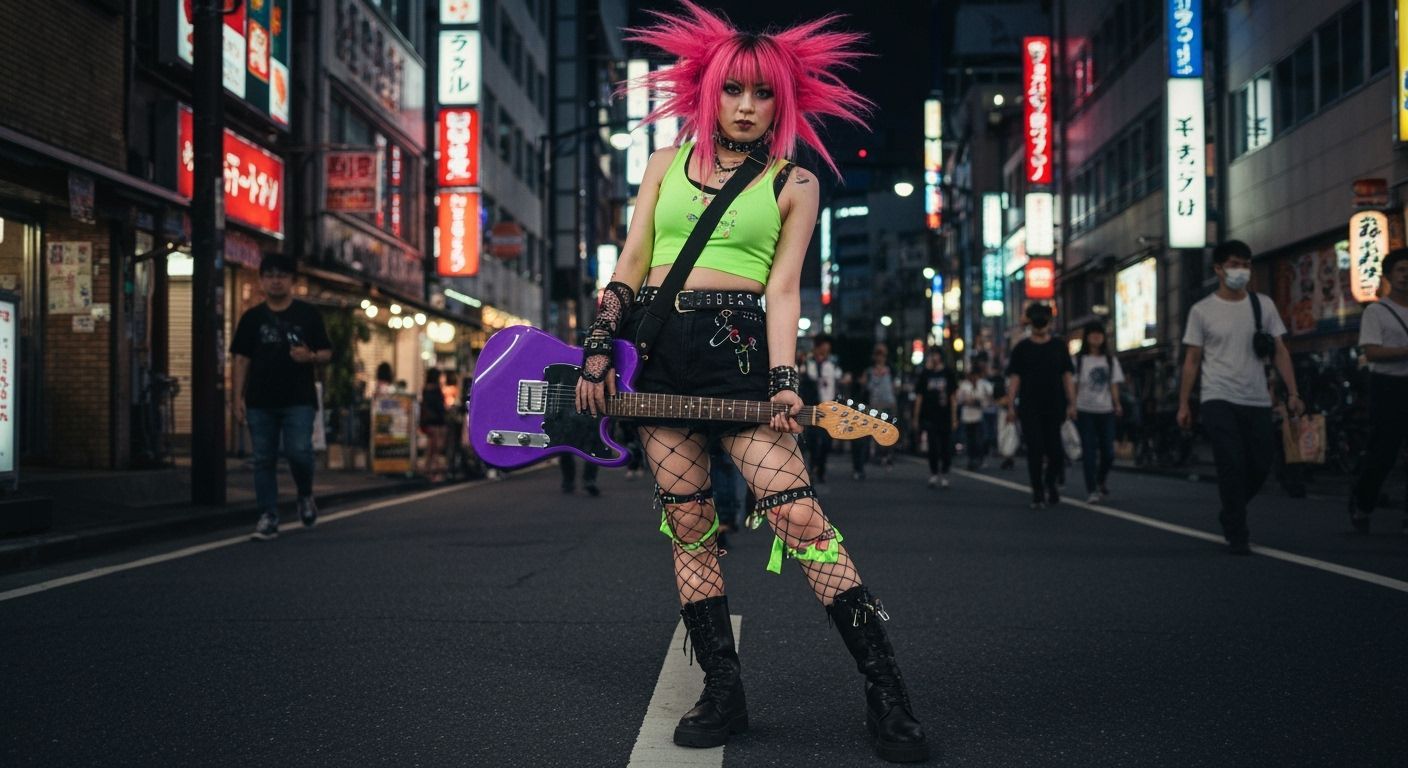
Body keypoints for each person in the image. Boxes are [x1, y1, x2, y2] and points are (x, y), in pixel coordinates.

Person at [573, 5, 928, 761]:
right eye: (732, 89)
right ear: (707, 91)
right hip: (660, 352)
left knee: (801, 523)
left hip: (738, 357)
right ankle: (724, 695)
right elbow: (634, 258)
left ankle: (888, 695)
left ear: (782, 100)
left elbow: (787, 290)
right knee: (690, 527)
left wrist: (784, 379)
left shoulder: (793, 181)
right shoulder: (665, 163)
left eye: (762, 93)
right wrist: (599, 349)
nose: (745, 106)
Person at [1177, 240, 1303, 555]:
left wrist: (1294, 393)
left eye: (1246, 264)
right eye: (1234, 264)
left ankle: (1230, 509)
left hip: (1257, 397)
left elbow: (1280, 352)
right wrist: (1183, 403)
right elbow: (1192, 359)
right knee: (1231, 462)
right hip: (1217, 396)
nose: (1241, 270)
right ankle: (1237, 531)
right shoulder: (1202, 310)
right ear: (1218, 268)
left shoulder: (1263, 305)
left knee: (1262, 463)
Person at [231, 254, 332, 541]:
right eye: (270, 275)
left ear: (292, 281)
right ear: (262, 280)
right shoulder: (251, 318)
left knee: (299, 452)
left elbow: (326, 352)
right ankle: (268, 515)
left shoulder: (307, 315)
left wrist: (310, 356)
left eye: (282, 275)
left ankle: (304, 495)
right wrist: (236, 397)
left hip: (299, 399)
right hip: (259, 400)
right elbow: (241, 360)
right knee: (263, 458)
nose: (276, 280)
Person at [1349, 247, 1408, 535]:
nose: (1406, 276)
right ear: (1388, 276)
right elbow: (1370, 352)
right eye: (1400, 270)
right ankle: (1362, 503)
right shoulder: (1377, 311)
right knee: (1383, 453)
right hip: (1388, 387)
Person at [1005, 303, 1076, 509]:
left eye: (1043, 319)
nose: (1040, 324)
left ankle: (1050, 483)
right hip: (1029, 406)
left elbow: (1067, 377)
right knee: (1035, 449)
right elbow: (1014, 378)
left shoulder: (1058, 347)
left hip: (1055, 405)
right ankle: (1038, 492)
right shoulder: (1022, 348)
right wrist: (1011, 406)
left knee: (1055, 451)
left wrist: (1072, 403)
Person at [1072, 321, 1125, 503]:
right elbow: (1074, 385)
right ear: (1086, 337)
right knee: (1089, 451)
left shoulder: (1110, 360)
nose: (1096, 338)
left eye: (1099, 334)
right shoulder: (1079, 361)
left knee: (1108, 452)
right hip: (1085, 409)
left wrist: (1117, 403)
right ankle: (1091, 489)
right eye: (1093, 334)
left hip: (1106, 410)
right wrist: (1071, 405)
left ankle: (1101, 480)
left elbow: (1113, 384)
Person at [800, 333, 843, 486]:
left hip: (828, 407)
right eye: (823, 347)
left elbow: (839, 380)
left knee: (826, 441)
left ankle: (821, 468)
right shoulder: (808, 363)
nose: (825, 350)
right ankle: (812, 466)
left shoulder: (832, 364)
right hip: (811, 407)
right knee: (811, 439)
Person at [911, 346, 955, 487]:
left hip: (945, 414)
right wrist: (916, 417)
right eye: (932, 355)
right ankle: (934, 473)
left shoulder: (948, 373)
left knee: (946, 446)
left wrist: (954, 417)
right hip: (929, 415)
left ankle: (945, 472)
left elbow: (953, 396)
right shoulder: (926, 374)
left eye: (936, 355)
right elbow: (919, 396)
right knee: (933, 446)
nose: (934, 358)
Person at [858, 344, 899, 472]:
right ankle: (878, 454)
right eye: (879, 354)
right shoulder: (870, 371)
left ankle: (888, 455)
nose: (881, 357)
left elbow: (895, 386)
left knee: (890, 430)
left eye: (883, 355)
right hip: (875, 404)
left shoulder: (891, 369)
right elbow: (863, 384)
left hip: (889, 403)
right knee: (876, 431)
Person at [956, 358, 994, 471]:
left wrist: (979, 401)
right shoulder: (964, 385)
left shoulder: (984, 384)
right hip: (967, 416)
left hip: (979, 416)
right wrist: (966, 401)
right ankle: (971, 459)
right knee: (969, 440)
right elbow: (958, 399)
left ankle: (979, 458)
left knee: (980, 439)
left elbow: (989, 399)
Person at [419, 368, 448, 480]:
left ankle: (427, 470)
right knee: (437, 449)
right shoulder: (436, 390)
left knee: (430, 449)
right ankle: (435, 473)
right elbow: (440, 407)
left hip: (428, 422)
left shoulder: (425, 390)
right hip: (437, 422)